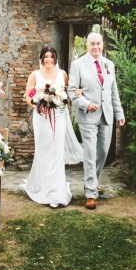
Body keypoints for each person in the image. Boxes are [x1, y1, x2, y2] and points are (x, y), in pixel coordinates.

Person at [68, 33, 125, 210]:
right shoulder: (78, 65)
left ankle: (91, 182)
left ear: (102, 45)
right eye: (92, 44)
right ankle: (91, 194)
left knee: (102, 152)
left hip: (106, 116)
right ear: (87, 45)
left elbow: (113, 92)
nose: (96, 47)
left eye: (98, 44)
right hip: (87, 117)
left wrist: (119, 113)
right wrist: (85, 104)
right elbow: (71, 91)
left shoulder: (109, 65)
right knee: (90, 154)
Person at [22, 47, 82, 208]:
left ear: (55, 58)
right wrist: (37, 104)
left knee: (57, 151)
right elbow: (27, 96)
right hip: (41, 117)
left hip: (60, 116)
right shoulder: (35, 75)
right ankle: (43, 188)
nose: (49, 59)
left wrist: (66, 97)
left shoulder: (62, 74)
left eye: (51, 57)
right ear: (41, 58)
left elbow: (67, 92)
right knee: (43, 150)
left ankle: (57, 192)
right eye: (46, 57)